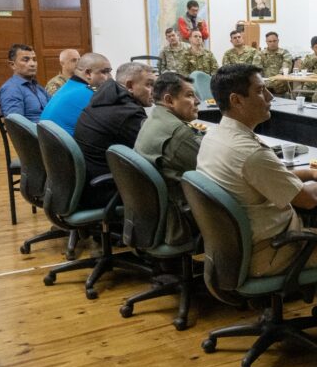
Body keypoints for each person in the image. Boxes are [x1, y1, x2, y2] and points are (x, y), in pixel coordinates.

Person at [197, 64, 317, 336]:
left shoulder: (217, 137)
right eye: (260, 91)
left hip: (236, 249)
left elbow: (259, 175)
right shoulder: (250, 151)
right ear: (236, 100)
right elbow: (306, 199)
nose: (270, 97)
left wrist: (310, 171)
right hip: (271, 250)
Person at [73, 62, 156, 209]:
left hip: (85, 183)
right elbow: (150, 152)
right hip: (104, 190)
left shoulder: (103, 99)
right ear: (130, 86)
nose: (154, 91)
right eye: (149, 85)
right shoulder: (128, 113)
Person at [134, 73, 202, 247]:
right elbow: (214, 172)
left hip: (153, 215)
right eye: (189, 95)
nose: (197, 101)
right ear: (169, 100)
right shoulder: (178, 134)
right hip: (178, 219)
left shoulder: (155, 118)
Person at [40, 53, 113, 135]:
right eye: (105, 72)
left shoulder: (69, 86)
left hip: (50, 144)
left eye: (109, 72)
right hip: (69, 146)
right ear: (88, 73)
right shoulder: (90, 95)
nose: (110, 77)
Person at [0, 44, 49, 123]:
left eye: (34, 59)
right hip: (37, 134)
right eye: (26, 60)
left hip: (52, 131)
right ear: (12, 65)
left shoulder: (38, 87)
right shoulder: (11, 89)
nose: (32, 64)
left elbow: (56, 109)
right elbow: (16, 126)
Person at [260, 31, 294, 96]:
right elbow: (257, 68)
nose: (272, 43)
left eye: (274, 41)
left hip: (280, 83)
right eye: (270, 41)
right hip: (265, 84)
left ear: (278, 41)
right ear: (266, 42)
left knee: (280, 82)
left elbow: (285, 68)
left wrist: (274, 79)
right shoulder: (261, 54)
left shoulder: (285, 53)